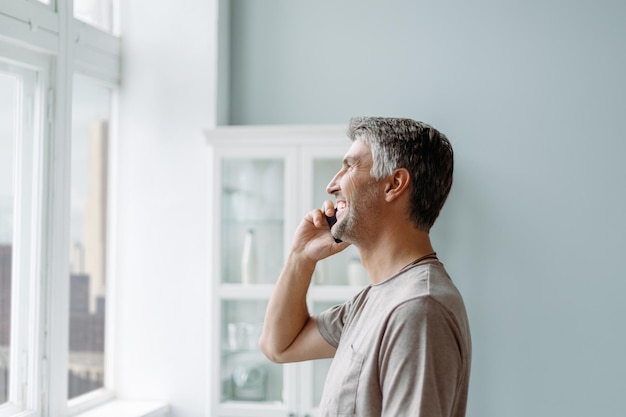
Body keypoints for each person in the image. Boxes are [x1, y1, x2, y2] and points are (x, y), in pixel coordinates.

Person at [259, 117, 471, 417]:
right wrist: (301, 257)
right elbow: (278, 346)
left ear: (394, 185)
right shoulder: (374, 300)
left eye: (349, 166)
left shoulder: (418, 307)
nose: (332, 185)